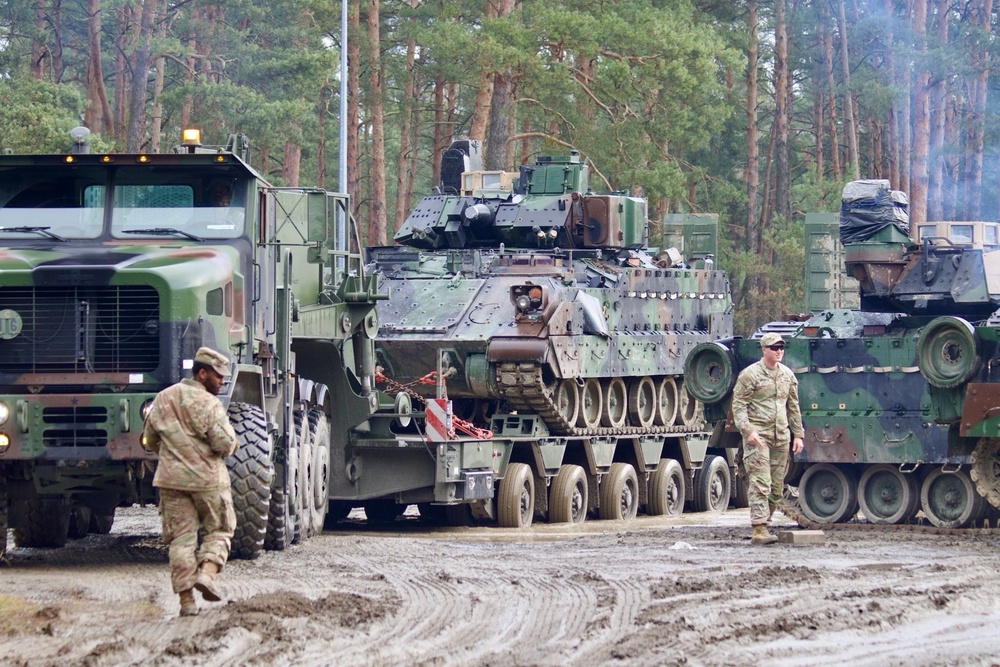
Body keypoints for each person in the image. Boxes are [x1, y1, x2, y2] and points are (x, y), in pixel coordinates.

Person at [141, 346, 239, 616]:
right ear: (202, 373)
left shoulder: (163, 398)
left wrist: (172, 455)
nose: (222, 382)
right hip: (208, 481)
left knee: (180, 541)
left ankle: (186, 603)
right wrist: (232, 444)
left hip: (171, 481)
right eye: (218, 376)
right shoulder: (210, 404)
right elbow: (224, 443)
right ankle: (207, 575)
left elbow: (150, 440)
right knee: (220, 529)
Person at [730, 332, 805, 545]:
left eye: (781, 347)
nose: (779, 351)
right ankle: (759, 528)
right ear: (764, 350)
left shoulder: (787, 375)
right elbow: (739, 406)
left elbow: (793, 407)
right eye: (774, 348)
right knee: (760, 482)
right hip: (758, 436)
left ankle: (766, 521)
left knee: (776, 486)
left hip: (781, 436)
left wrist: (798, 435)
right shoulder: (750, 375)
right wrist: (748, 430)